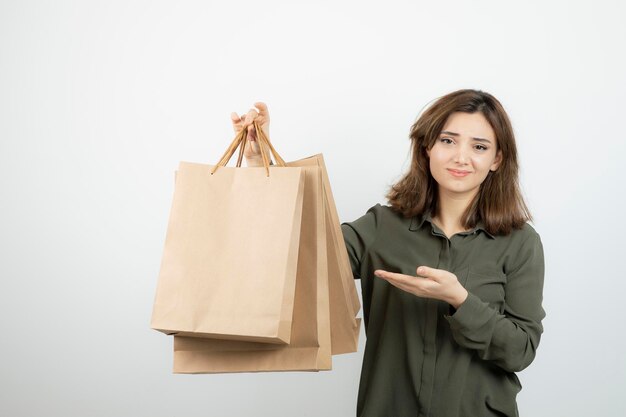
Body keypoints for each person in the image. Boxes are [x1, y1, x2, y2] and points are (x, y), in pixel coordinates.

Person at [233, 89, 545, 417]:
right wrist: (260, 165)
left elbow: (520, 352)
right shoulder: (383, 226)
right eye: (448, 141)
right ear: (427, 147)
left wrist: (461, 301)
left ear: (496, 159)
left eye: (479, 147)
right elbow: (301, 253)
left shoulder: (520, 242)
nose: (460, 157)